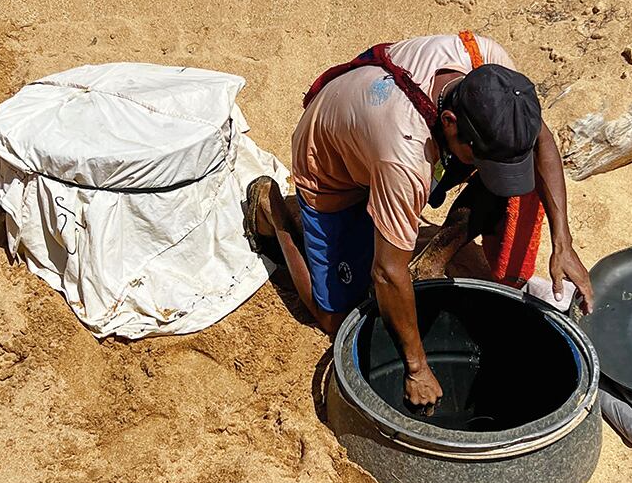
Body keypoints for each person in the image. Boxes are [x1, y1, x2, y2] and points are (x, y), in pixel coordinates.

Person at [244, 32, 593, 412]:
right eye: (479, 159)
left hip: (389, 141)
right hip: (332, 168)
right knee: (337, 320)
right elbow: (387, 273)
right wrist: (416, 367)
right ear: (449, 121)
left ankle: (436, 255)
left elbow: (537, 136)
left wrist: (564, 243)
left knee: (507, 182)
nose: (482, 169)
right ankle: (273, 212)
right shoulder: (404, 154)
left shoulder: (488, 68)